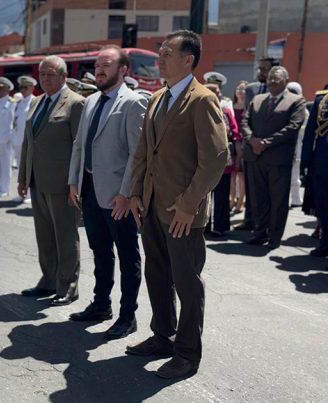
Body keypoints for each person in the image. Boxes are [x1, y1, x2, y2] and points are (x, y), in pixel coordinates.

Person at [126, 30, 228, 379]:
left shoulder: (201, 99)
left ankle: (187, 354)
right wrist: (136, 192)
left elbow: (215, 158)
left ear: (189, 59)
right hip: (152, 205)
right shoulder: (157, 98)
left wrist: (188, 205)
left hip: (183, 212)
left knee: (186, 282)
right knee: (156, 274)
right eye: (161, 52)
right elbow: (143, 151)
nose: (160, 58)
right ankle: (163, 336)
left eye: (168, 53)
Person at [67, 45, 147, 339]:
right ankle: (101, 305)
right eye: (98, 64)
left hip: (118, 197)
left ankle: (128, 317)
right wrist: (73, 182)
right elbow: (79, 145)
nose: (99, 69)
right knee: (100, 252)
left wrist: (127, 193)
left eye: (107, 64)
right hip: (90, 191)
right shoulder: (90, 102)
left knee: (128, 257)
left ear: (123, 70)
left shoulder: (133, 102)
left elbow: (137, 154)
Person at [17, 55, 85, 307]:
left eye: (51, 74)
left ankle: (68, 286)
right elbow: (28, 143)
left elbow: (79, 148)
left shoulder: (75, 103)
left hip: (62, 185)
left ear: (64, 76)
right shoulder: (36, 102)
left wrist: (75, 185)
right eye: (42, 74)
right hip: (37, 181)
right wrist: (23, 177)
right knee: (44, 236)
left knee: (66, 236)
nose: (45, 79)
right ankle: (48, 280)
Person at [241, 66, 306, 249]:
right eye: (269, 79)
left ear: (285, 80)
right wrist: (253, 140)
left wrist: (266, 143)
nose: (271, 82)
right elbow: (245, 121)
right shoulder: (257, 99)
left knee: (278, 200)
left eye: (275, 79)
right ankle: (259, 232)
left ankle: (274, 237)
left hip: (278, 159)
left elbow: (293, 126)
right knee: (258, 198)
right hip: (255, 157)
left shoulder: (296, 101)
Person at [236, 58, 279, 231]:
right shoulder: (251, 89)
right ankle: (250, 220)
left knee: (269, 190)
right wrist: (251, 140)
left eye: (265, 69)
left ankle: (267, 224)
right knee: (251, 186)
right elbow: (247, 118)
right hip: (251, 146)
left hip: (271, 148)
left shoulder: (283, 91)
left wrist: (265, 142)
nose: (261, 72)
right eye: (260, 68)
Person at [202, 73, 239, 237]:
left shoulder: (226, 108)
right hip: (203, 160)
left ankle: (221, 225)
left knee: (222, 193)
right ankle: (204, 225)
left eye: (216, 93)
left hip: (223, 159)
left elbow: (235, 131)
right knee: (203, 194)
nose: (215, 96)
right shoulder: (197, 107)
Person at [301, 88, 328, 257]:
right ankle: (325, 243)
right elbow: (311, 132)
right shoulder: (321, 99)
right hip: (322, 161)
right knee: (323, 205)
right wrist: (306, 160)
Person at [286, 82, 305, 207]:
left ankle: (296, 199)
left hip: (297, 145)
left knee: (295, 176)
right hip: (285, 146)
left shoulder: (303, 110)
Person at [231, 80, 248, 214]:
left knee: (241, 175)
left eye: (243, 89)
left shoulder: (248, 107)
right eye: (238, 89)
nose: (240, 91)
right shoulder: (230, 105)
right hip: (232, 143)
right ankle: (232, 200)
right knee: (232, 174)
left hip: (244, 144)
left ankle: (241, 202)